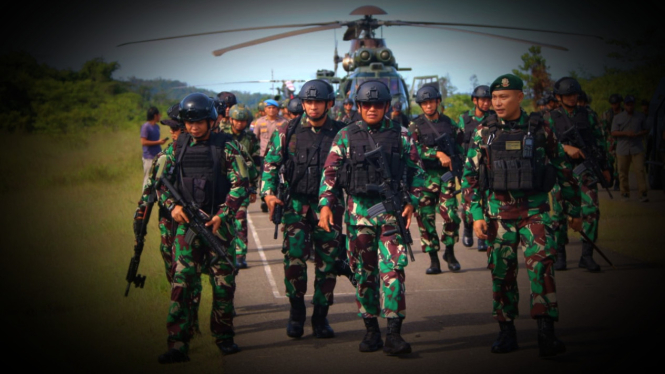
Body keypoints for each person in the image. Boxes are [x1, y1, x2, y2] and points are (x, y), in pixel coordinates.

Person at [462, 73, 582, 357]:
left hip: (535, 213)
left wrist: (574, 210)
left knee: (542, 268)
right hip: (499, 217)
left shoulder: (541, 128)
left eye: (504, 97)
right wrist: (477, 214)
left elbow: (564, 170)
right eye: (494, 98)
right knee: (502, 275)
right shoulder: (484, 132)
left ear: (520, 96)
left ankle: (546, 333)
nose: (498, 102)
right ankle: (506, 332)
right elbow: (469, 177)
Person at [318, 80, 425, 356]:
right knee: (363, 274)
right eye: (367, 105)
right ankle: (371, 331)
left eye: (378, 105)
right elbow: (330, 174)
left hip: (391, 215)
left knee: (392, 272)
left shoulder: (402, 135)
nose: (372, 109)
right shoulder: (345, 135)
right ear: (358, 106)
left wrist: (412, 201)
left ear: (387, 106)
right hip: (358, 217)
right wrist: (326, 206)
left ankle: (394, 333)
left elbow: (417, 173)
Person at [156, 93, 249, 363]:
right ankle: (177, 343)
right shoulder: (176, 148)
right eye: (188, 122)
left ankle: (224, 337)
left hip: (219, 227)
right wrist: (173, 206)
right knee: (182, 283)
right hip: (186, 229)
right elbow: (160, 182)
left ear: (211, 120)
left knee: (223, 284)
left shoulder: (228, 146)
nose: (193, 127)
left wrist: (225, 213)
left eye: (199, 122)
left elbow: (242, 183)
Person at [261, 80, 346, 339]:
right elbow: (271, 164)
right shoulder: (288, 130)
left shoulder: (342, 133)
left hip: (330, 207)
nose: (312, 106)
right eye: (308, 102)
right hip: (296, 204)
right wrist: (268, 193)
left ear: (329, 104)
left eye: (318, 102)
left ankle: (320, 317)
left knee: (328, 263)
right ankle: (296, 314)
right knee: (294, 259)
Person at [544, 77, 611, 272]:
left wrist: (605, 167)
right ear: (558, 96)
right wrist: (564, 147)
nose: (572, 98)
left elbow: (600, 141)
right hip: (560, 172)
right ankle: (561, 255)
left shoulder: (588, 114)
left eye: (575, 94)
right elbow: (542, 143)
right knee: (558, 215)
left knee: (590, 212)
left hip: (585, 171)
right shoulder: (550, 117)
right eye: (568, 95)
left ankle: (586, 255)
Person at [408, 84, 464, 274]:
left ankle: (449, 251)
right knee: (425, 219)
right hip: (424, 178)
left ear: (438, 101)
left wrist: (463, 170)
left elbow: (459, 148)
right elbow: (412, 150)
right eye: (424, 103)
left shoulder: (449, 123)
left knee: (452, 215)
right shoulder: (414, 126)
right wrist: (436, 153)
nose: (428, 106)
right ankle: (433, 259)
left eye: (431, 101)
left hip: (446, 176)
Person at [224, 104, 261, 269]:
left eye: (243, 121)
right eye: (237, 120)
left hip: (243, 185)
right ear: (230, 120)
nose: (240, 124)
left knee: (240, 220)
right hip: (224, 184)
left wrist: (253, 187)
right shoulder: (222, 136)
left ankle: (240, 254)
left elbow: (256, 163)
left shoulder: (251, 138)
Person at [459, 85, 494, 252]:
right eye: (483, 100)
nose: (486, 103)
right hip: (469, 165)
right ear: (475, 100)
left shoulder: (494, 119)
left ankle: (483, 236)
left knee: (486, 201)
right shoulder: (464, 119)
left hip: (487, 167)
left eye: (489, 100)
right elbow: (457, 142)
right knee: (468, 202)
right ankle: (467, 226)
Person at [611, 94, 650, 202]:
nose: (630, 107)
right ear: (625, 105)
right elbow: (613, 132)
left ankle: (643, 193)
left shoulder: (640, 116)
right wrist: (625, 133)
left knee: (640, 170)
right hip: (623, 148)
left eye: (631, 104)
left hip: (637, 147)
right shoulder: (618, 117)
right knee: (622, 172)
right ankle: (625, 193)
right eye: (628, 104)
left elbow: (647, 129)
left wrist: (638, 133)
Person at [254, 99, 288, 212]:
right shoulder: (259, 122)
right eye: (269, 108)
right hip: (264, 155)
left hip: (279, 155)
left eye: (274, 108)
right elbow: (255, 138)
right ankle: (265, 198)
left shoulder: (284, 122)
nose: (271, 110)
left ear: (278, 110)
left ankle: (278, 198)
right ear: (265, 109)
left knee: (279, 178)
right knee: (265, 177)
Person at [140, 106, 167, 189]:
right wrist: (158, 142)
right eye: (159, 115)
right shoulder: (146, 127)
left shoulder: (157, 127)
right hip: (149, 157)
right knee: (148, 177)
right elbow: (143, 142)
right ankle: (145, 198)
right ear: (155, 115)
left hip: (157, 155)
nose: (160, 116)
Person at [601, 94, 623, 190]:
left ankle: (618, 181)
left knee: (620, 162)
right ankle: (610, 179)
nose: (614, 105)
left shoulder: (624, 113)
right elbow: (603, 128)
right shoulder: (607, 114)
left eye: (616, 103)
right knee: (609, 160)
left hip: (622, 139)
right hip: (610, 139)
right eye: (613, 103)